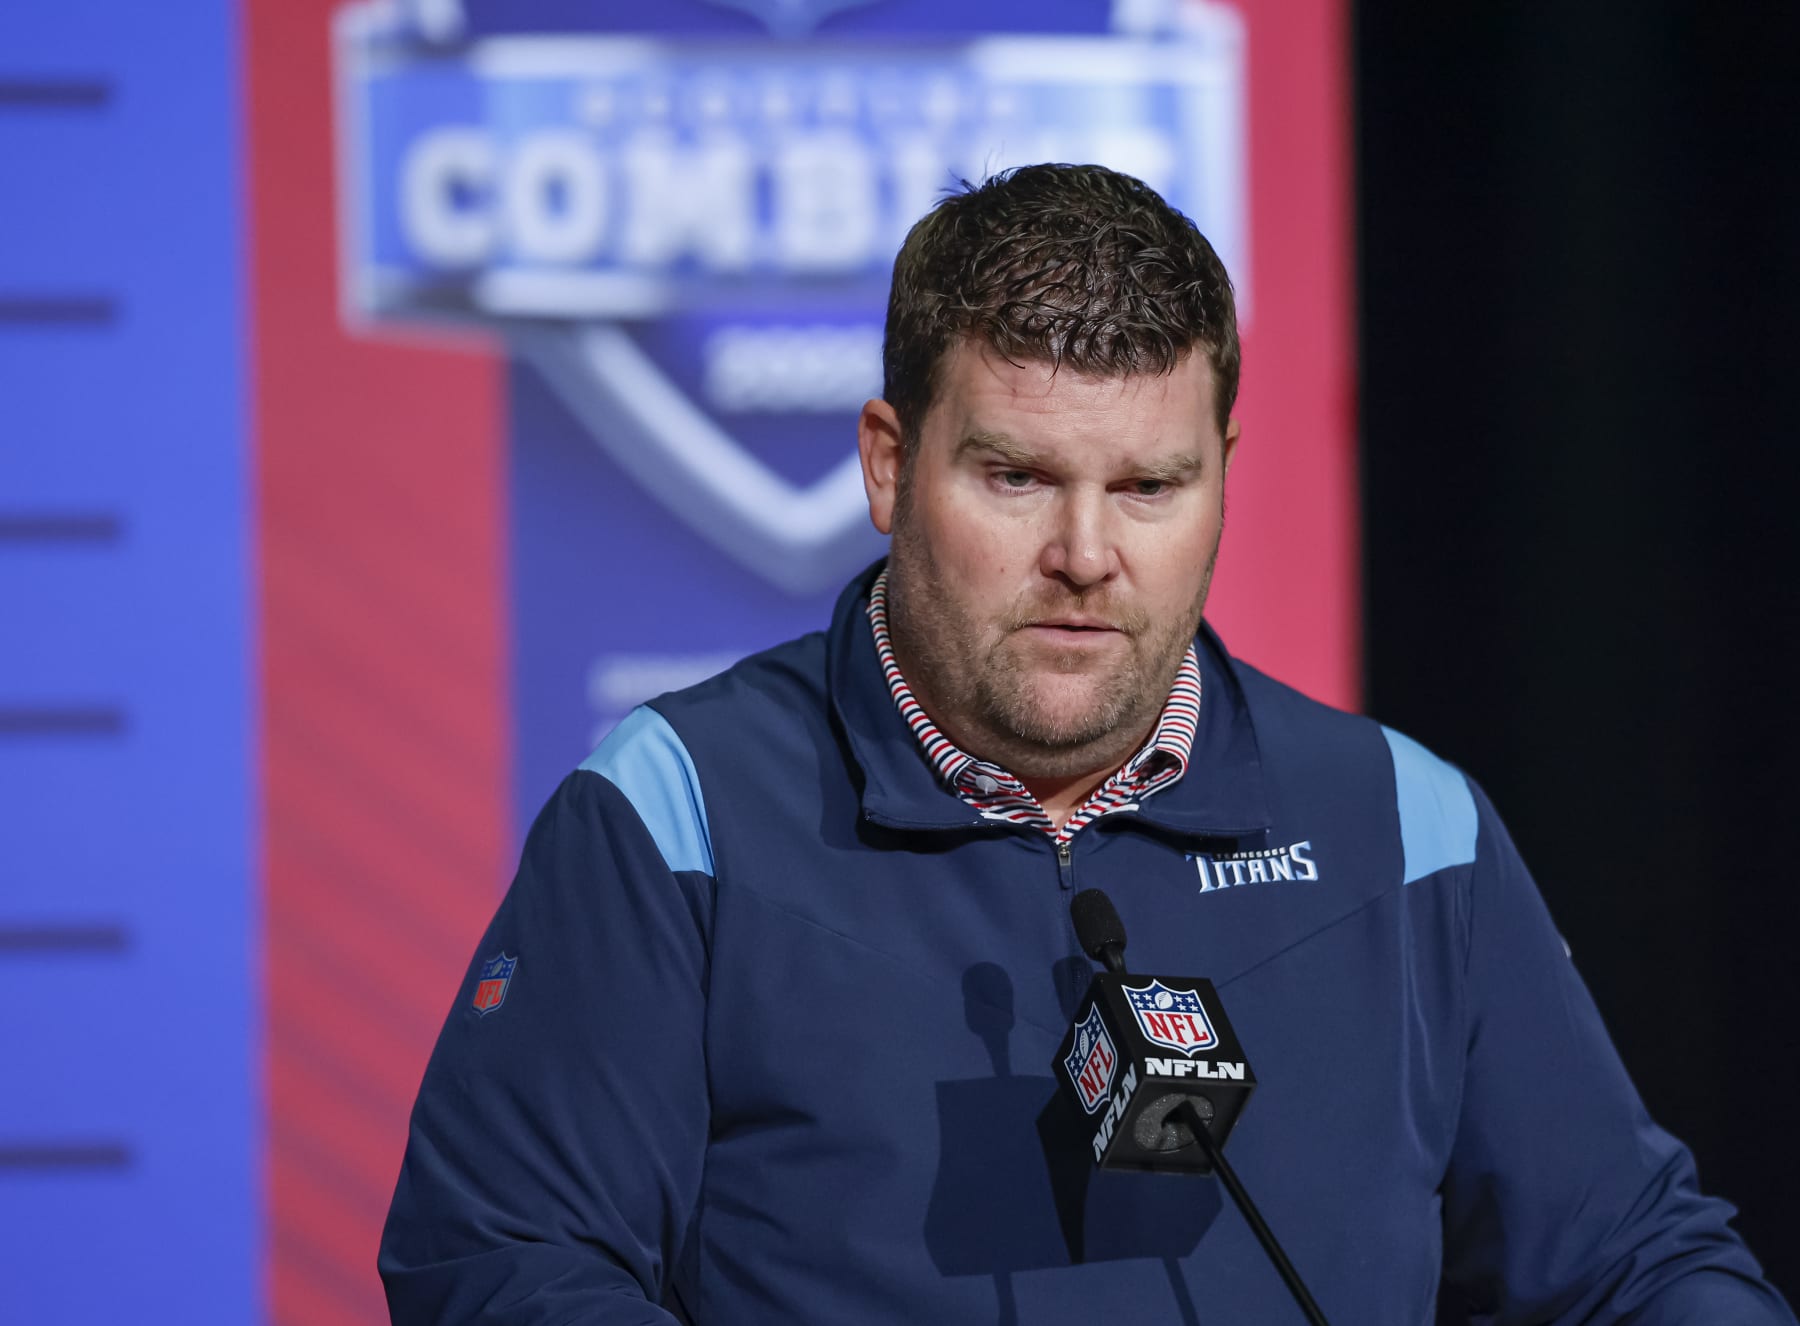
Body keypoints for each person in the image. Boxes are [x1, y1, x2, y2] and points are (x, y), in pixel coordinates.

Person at [379, 164, 1793, 1324]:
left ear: (1224, 473)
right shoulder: (674, 819)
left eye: (1152, 485)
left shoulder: (1408, 826)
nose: (1087, 555)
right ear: (888, 464)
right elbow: (507, 1263)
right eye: (1017, 476)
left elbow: (1632, 1262)